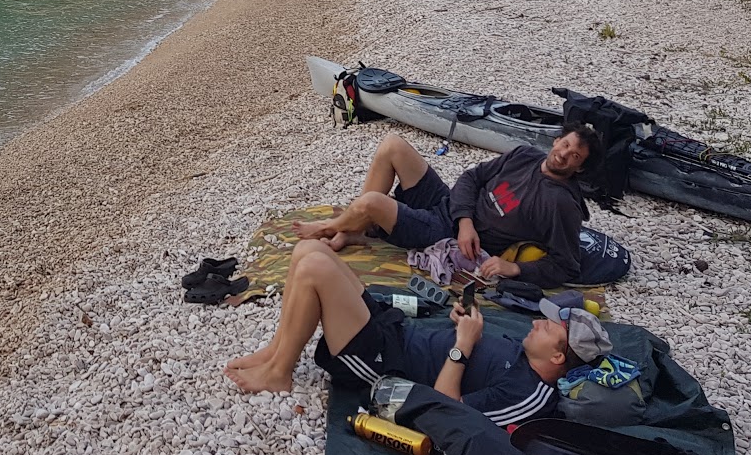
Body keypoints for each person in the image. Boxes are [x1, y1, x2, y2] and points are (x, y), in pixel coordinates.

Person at [226, 239, 612, 431]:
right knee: (310, 248)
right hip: (396, 332)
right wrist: (462, 324)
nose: (537, 322)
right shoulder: (525, 353)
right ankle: (278, 351)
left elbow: (449, 411)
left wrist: (461, 347)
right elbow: (471, 351)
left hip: (385, 365)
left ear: (559, 357)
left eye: (549, 327)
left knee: (314, 269)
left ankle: (280, 372)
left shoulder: (529, 395)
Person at [292, 125, 601, 290]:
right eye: (565, 145)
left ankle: (330, 227)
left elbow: (567, 264)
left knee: (372, 203)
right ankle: (352, 228)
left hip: (445, 236)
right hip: (451, 207)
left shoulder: (561, 204)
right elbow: (472, 177)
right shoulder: (525, 155)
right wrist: (465, 218)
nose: (563, 155)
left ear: (581, 168)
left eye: (574, 156)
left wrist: (515, 268)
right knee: (392, 145)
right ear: (557, 140)